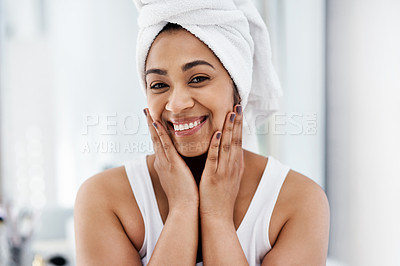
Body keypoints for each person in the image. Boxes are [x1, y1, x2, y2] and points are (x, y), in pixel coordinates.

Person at [74, 1, 330, 265]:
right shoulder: (104, 199)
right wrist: (182, 208)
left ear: (237, 86)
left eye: (198, 78)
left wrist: (217, 215)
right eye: (159, 84)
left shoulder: (299, 202)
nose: (176, 104)